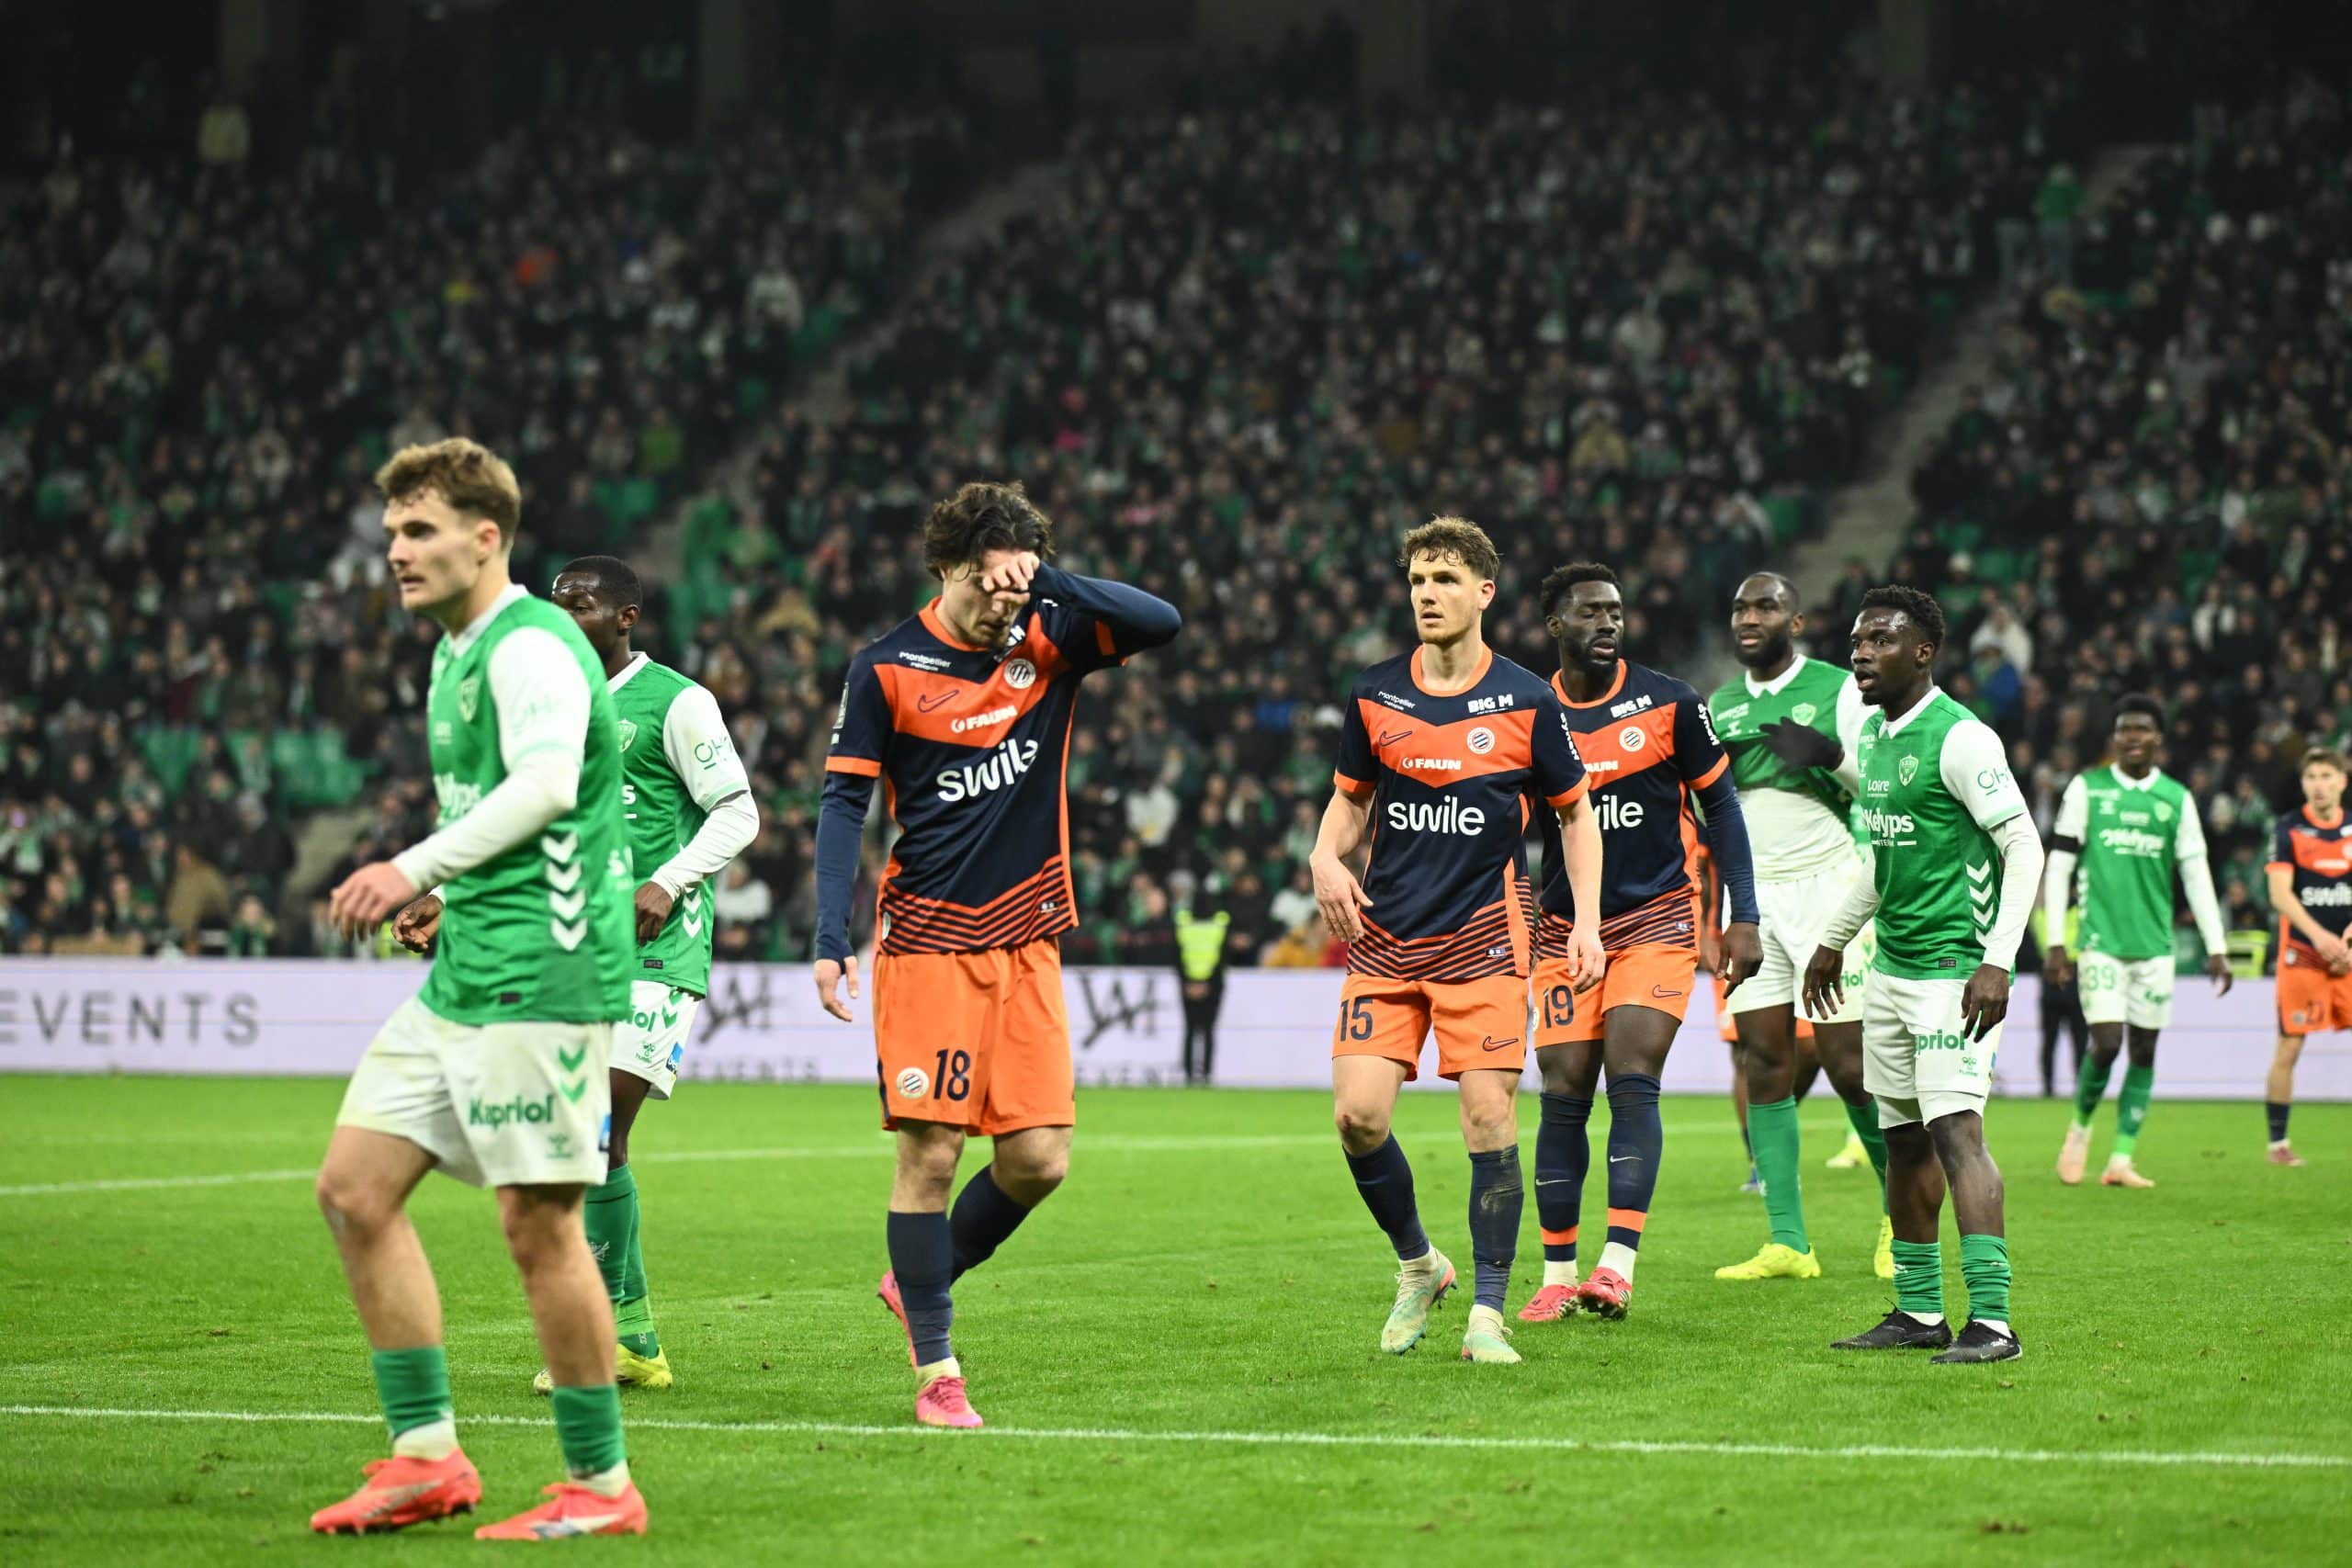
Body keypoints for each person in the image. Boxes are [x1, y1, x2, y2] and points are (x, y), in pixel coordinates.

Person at [309, 438, 648, 1537]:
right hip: (469, 966)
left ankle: (600, 1486)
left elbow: (551, 785)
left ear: (484, 536)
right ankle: (425, 1459)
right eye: (393, 531)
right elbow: (514, 811)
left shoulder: (531, 647)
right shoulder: (454, 653)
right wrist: (451, 896)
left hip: (544, 974)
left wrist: (413, 867)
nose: (396, 551)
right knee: (356, 1189)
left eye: (419, 531)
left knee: (538, 1224)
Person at [813, 481, 1181, 1427]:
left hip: (1028, 938)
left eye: (1015, 592)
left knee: (1038, 1163)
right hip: (930, 940)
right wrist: (826, 936)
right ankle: (937, 1373)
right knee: (931, 1154)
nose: (1001, 609)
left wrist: (1043, 580)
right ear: (945, 570)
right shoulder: (887, 669)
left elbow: (1161, 620)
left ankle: (921, 1279)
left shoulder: (1044, 642)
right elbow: (843, 805)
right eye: (987, 589)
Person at [393, 553, 761, 1391]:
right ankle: (632, 1335)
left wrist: (669, 880)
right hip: (575, 944)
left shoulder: (677, 701)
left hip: (659, 948)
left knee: (594, 1121)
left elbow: (738, 809)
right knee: (590, 1139)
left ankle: (605, 1336)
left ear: (626, 616)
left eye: (582, 604)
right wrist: (443, 893)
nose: (565, 616)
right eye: (555, 602)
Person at [1314, 517, 1601, 1365]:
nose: (1427, 594)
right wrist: (1323, 855)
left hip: (1484, 939)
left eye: (1444, 579)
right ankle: (1419, 1263)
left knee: (1488, 1116)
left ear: (1484, 592)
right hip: (1385, 937)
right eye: (1416, 580)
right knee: (1357, 1117)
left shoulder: (1525, 699)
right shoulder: (1374, 694)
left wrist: (1583, 921)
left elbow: (1576, 815)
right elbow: (1350, 801)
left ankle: (1486, 1311)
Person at [1805, 586, 2043, 1366]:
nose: (1861, 651)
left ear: (1923, 651)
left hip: (1953, 971)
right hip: (1894, 971)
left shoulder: (1962, 738)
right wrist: (1833, 941)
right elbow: (1882, 862)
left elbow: (2025, 849)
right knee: (1901, 1139)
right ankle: (1916, 1310)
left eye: (1880, 638)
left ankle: (1995, 1322)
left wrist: (1997, 959)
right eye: (1857, 638)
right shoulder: (1874, 736)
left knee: (1957, 1134)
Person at [1521, 562, 1758, 1324]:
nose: (1609, 623)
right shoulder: (1528, 711)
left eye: (1616, 612)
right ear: (1555, 626)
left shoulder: (1669, 702)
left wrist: (1741, 914)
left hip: (1656, 918)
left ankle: (1616, 1266)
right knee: (1562, 1092)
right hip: (1563, 930)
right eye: (1590, 613)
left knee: (1632, 1073)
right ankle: (1558, 1272)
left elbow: (1721, 809)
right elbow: (1505, 825)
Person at [1705, 572, 1894, 1284]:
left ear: (1796, 619)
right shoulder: (1719, 704)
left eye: (1766, 606)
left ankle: (1898, 1220)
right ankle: (1789, 1241)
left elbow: (1877, 786)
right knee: (1763, 1065)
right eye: (1741, 606)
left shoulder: (1838, 687)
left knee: (1849, 1065)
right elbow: (1709, 810)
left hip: (1829, 887)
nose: (1750, 617)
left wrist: (1828, 756)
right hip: (1753, 900)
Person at [2044, 694, 2231, 1189]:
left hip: (2155, 947)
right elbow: (2059, 864)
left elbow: (2196, 876)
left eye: (2142, 729)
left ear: (2157, 739)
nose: (2132, 737)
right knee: (2106, 1044)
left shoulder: (2176, 799)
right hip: (2100, 941)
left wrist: (2216, 945)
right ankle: (2080, 1130)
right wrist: (2057, 942)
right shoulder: (2088, 789)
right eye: (2124, 729)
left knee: (2145, 1051)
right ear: (2115, 738)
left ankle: (2121, 1159)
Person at [2261, 747, 2352, 1167]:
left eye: (2326, 776)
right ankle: (2278, 1145)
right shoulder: (2289, 829)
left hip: (2349, 956)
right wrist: (2321, 938)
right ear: (2303, 784)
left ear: (2342, 781)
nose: (2319, 784)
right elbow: (2280, 893)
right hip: (2302, 955)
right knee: (2289, 1047)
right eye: (2312, 776)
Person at [1172, 898, 1230, 1085]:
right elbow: (1223, 958)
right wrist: (1207, 984)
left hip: (1190, 985)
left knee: (1191, 1030)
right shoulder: (1220, 924)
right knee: (1206, 1031)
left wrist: (1188, 983)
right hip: (1212, 986)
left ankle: (1190, 1075)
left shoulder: (1183, 924)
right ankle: (1205, 1075)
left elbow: (1176, 956)